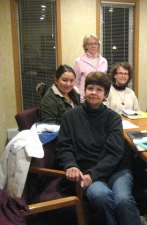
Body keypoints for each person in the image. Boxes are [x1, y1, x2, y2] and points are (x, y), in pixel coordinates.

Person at [56, 71, 142, 225]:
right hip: (86, 169)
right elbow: (64, 146)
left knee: (123, 200)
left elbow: (114, 152)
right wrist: (71, 165)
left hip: (116, 169)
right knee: (101, 196)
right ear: (84, 90)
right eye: (90, 88)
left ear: (106, 94)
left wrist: (94, 174)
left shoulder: (113, 118)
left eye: (99, 89)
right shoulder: (70, 116)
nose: (93, 93)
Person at [74, 34, 108, 102]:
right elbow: (75, 83)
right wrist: (80, 96)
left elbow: (104, 81)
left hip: (99, 98)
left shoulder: (104, 61)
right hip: (84, 99)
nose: (93, 46)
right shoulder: (79, 61)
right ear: (86, 46)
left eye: (95, 43)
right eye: (90, 44)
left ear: (98, 45)